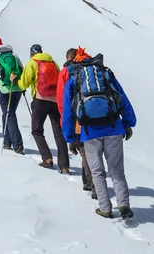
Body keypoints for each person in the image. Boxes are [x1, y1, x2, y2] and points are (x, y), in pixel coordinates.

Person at [61, 48, 137, 219]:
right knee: (117, 169)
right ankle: (124, 205)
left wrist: (71, 138)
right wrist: (128, 123)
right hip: (113, 127)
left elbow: (67, 111)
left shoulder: (74, 79)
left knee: (97, 172)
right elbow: (122, 98)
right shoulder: (105, 74)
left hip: (90, 132)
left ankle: (105, 208)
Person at [12, 44, 70, 173]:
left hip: (40, 100)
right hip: (55, 101)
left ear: (31, 53)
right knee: (59, 132)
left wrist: (16, 81)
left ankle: (47, 158)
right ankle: (64, 166)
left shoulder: (32, 63)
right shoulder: (53, 62)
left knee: (37, 131)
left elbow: (24, 83)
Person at [57, 48, 95, 197]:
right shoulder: (90, 69)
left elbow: (62, 101)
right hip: (94, 114)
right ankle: (87, 181)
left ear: (67, 57)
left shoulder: (66, 72)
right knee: (88, 148)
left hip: (76, 117)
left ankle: (93, 183)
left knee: (85, 149)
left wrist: (66, 125)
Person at [0, 37, 25, 154]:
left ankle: (18, 144)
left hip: (4, 88)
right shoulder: (12, 53)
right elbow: (21, 69)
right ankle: (7, 142)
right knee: (8, 113)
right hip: (17, 87)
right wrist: (22, 86)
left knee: (9, 114)